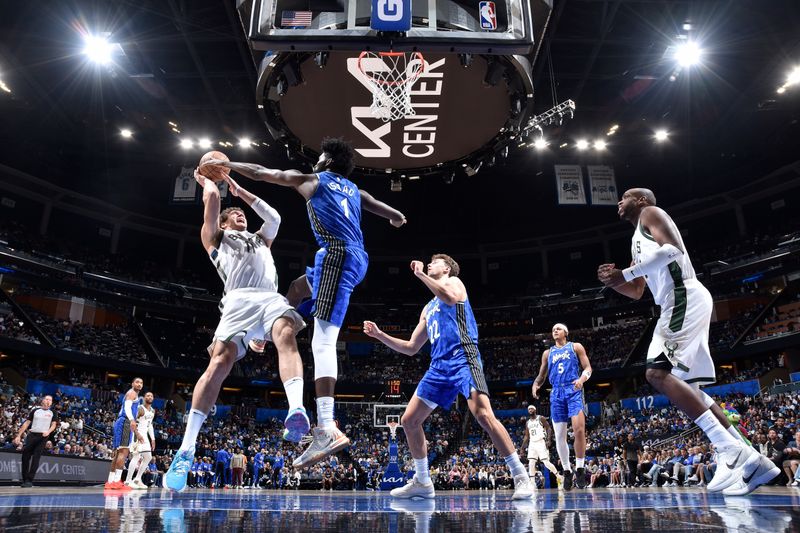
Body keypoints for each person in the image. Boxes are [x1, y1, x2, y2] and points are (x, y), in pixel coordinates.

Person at [201, 137, 406, 469]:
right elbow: (389, 211)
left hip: (336, 255)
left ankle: (326, 426)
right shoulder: (355, 190)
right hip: (353, 259)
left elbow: (264, 172)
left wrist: (229, 167)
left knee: (322, 340)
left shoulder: (313, 180)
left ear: (326, 161)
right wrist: (396, 218)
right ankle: (264, 335)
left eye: (320, 157)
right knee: (296, 289)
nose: (316, 161)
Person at [597, 188, 779, 495]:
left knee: (656, 373)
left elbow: (674, 251)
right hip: (673, 302)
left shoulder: (650, 214)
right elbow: (638, 290)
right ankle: (753, 460)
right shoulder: (636, 240)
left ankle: (728, 449)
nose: (619, 200)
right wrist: (616, 281)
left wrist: (626, 271)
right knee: (691, 389)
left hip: (683, 295)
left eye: (626, 195)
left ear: (641, 200)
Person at [164, 172, 309, 492]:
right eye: (235, 214)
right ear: (226, 224)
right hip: (238, 302)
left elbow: (275, 217)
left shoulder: (261, 239)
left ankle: (296, 409)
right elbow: (213, 205)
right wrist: (208, 182)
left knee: (286, 333)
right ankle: (185, 450)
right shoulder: (215, 238)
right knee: (220, 363)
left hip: (269, 299)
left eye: (242, 213)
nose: (240, 214)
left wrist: (241, 191)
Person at [363, 254, 534, 499]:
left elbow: (451, 298)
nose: (429, 263)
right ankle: (422, 481)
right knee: (409, 421)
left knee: (483, 415)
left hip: (464, 356)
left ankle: (521, 476)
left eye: (434, 261)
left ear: (446, 268)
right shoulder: (428, 307)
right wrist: (380, 335)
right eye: (429, 263)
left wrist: (421, 274)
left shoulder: (455, 282)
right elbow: (411, 347)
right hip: (438, 366)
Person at [531, 323, 592, 490]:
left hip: (573, 389)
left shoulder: (575, 347)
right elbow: (541, 376)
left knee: (579, 429)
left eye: (558, 328)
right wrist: (536, 384)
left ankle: (579, 468)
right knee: (559, 436)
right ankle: (567, 471)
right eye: (552, 330)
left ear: (566, 331)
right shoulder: (547, 353)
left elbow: (588, 368)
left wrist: (582, 379)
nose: (555, 331)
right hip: (556, 393)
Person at [105, 378, 143, 490]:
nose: (139, 384)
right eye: (137, 382)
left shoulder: (133, 394)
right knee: (124, 452)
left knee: (118, 453)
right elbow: (127, 407)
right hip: (125, 422)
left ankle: (110, 481)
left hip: (122, 422)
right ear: (132, 384)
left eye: (141, 383)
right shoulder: (132, 393)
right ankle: (117, 482)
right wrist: (132, 419)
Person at [13, 395, 57, 488]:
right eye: (47, 399)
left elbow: (54, 425)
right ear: (43, 400)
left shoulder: (52, 412)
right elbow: (26, 423)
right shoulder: (35, 411)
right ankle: (24, 479)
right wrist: (18, 435)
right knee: (25, 456)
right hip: (32, 435)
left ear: (51, 402)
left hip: (43, 436)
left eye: (50, 400)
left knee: (36, 458)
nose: (48, 401)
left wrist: (48, 432)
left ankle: (29, 480)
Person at [520, 405, 560, 486]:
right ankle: (532, 483)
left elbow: (549, 428)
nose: (530, 410)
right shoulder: (528, 422)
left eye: (531, 409)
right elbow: (527, 436)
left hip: (541, 442)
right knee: (531, 463)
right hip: (532, 443)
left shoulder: (540, 418)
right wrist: (522, 448)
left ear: (535, 410)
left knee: (546, 462)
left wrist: (549, 439)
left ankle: (558, 476)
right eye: (529, 409)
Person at [125, 391, 156, 489]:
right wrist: (137, 434)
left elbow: (150, 425)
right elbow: (132, 422)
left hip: (145, 436)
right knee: (136, 457)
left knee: (148, 457)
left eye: (151, 395)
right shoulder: (140, 409)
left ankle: (137, 479)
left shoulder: (152, 411)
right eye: (148, 395)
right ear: (144, 398)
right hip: (136, 434)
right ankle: (128, 481)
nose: (150, 397)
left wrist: (153, 439)